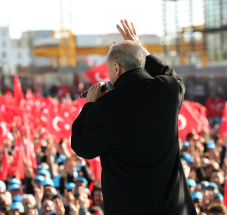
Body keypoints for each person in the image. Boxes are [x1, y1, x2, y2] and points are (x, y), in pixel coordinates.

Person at [71, 19, 196, 215]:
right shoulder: (168, 89)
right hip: (173, 209)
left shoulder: (107, 106)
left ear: (117, 68)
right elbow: (171, 75)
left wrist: (90, 106)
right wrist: (141, 50)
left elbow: (82, 146)